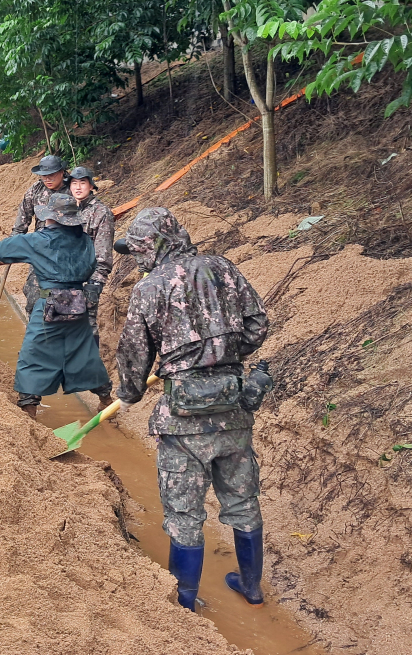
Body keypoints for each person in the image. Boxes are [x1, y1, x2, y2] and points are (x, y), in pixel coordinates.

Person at [112, 207, 273, 612]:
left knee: (184, 513)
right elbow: (257, 326)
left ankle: (183, 604)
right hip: (234, 408)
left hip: (183, 423)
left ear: (157, 245)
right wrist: (225, 358)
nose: (138, 257)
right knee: (243, 502)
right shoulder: (223, 267)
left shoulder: (149, 289)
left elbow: (134, 354)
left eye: (140, 249)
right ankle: (252, 588)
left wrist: (129, 393)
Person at [0, 193, 112, 419]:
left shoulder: (38, 240)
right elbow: (91, 265)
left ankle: (28, 407)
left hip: (50, 304)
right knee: (84, 352)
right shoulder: (84, 240)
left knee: (34, 354)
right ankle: (106, 400)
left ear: (51, 217)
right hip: (78, 303)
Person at [12, 154, 68, 313]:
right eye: (44, 176)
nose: (48, 179)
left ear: (62, 172)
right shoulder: (36, 191)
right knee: (34, 295)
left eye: (52, 175)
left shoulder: (74, 190)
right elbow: (22, 219)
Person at [67, 166, 114, 340]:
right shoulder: (67, 209)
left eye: (82, 183)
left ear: (91, 186)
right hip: (66, 279)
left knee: (87, 327)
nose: (78, 187)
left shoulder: (101, 213)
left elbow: (103, 253)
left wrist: (95, 284)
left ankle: (90, 365)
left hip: (87, 280)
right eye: (74, 183)